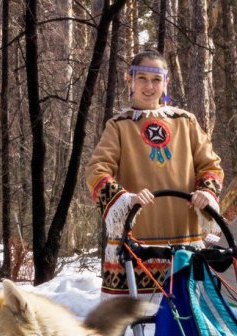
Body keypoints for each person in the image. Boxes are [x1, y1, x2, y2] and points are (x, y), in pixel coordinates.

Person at [85, 49, 224, 297]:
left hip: (185, 241)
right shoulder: (119, 126)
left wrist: (206, 192)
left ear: (165, 83)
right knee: (131, 328)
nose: (149, 86)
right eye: (142, 78)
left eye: (156, 79)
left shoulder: (186, 121)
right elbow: (97, 171)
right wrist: (126, 199)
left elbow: (210, 166)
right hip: (136, 245)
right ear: (130, 80)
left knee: (184, 322)